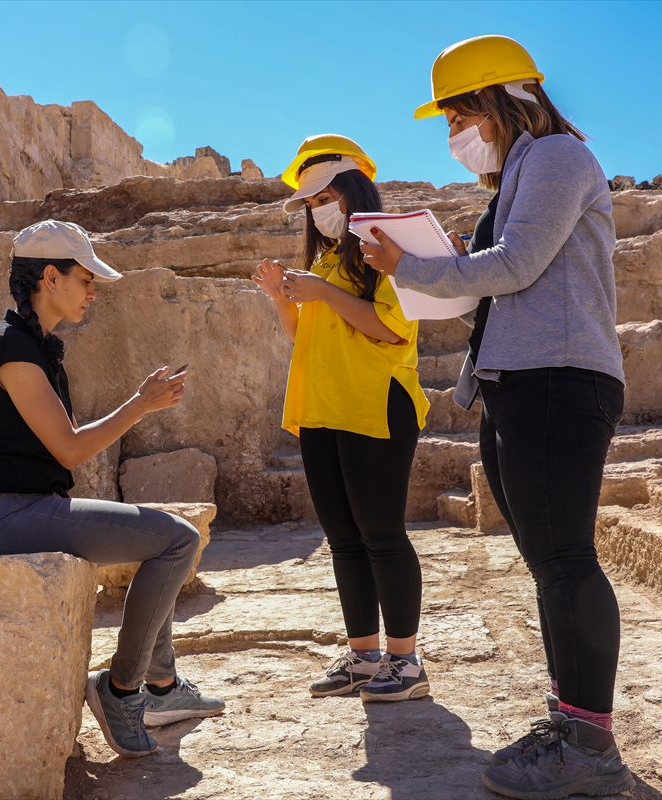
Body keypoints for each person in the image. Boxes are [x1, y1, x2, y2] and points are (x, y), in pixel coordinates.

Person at [361, 35, 635, 799]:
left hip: (557, 381)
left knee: (567, 560)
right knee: (552, 563)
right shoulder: (520, 171)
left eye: (456, 115)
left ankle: (588, 745)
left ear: (497, 103)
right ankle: (572, 722)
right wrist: (447, 261)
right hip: (524, 382)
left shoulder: (554, 159)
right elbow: (503, 275)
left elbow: (516, 267)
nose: (453, 133)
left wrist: (407, 265)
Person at [0, 219, 224, 759]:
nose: (92, 291)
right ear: (50, 278)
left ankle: (164, 688)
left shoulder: (37, 345)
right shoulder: (8, 345)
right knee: (176, 540)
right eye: (86, 279)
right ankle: (122, 690)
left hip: (31, 510)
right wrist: (140, 403)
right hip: (5, 518)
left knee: (161, 539)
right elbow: (70, 449)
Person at [253, 134, 432, 704]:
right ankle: (363, 657)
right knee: (344, 539)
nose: (317, 209)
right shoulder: (328, 260)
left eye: (324, 196)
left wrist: (324, 293)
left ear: (353, 190)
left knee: (381, 533)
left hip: (376, 402)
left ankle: (406, 663)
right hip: (323, 406)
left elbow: (391, 329)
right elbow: (301, 334)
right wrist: (281, 296)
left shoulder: (389, 248)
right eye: (310, 203)